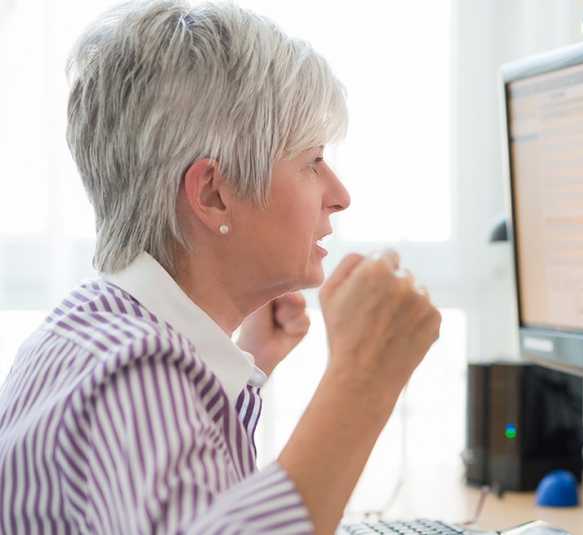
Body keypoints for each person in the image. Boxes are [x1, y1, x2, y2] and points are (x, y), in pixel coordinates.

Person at [0, 1, 441, 534]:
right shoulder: (135, 369)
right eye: (311, 162)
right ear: (212, 194)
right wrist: (365, 375)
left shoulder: (95, 327)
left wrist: (243, 360)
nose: (340, 195)